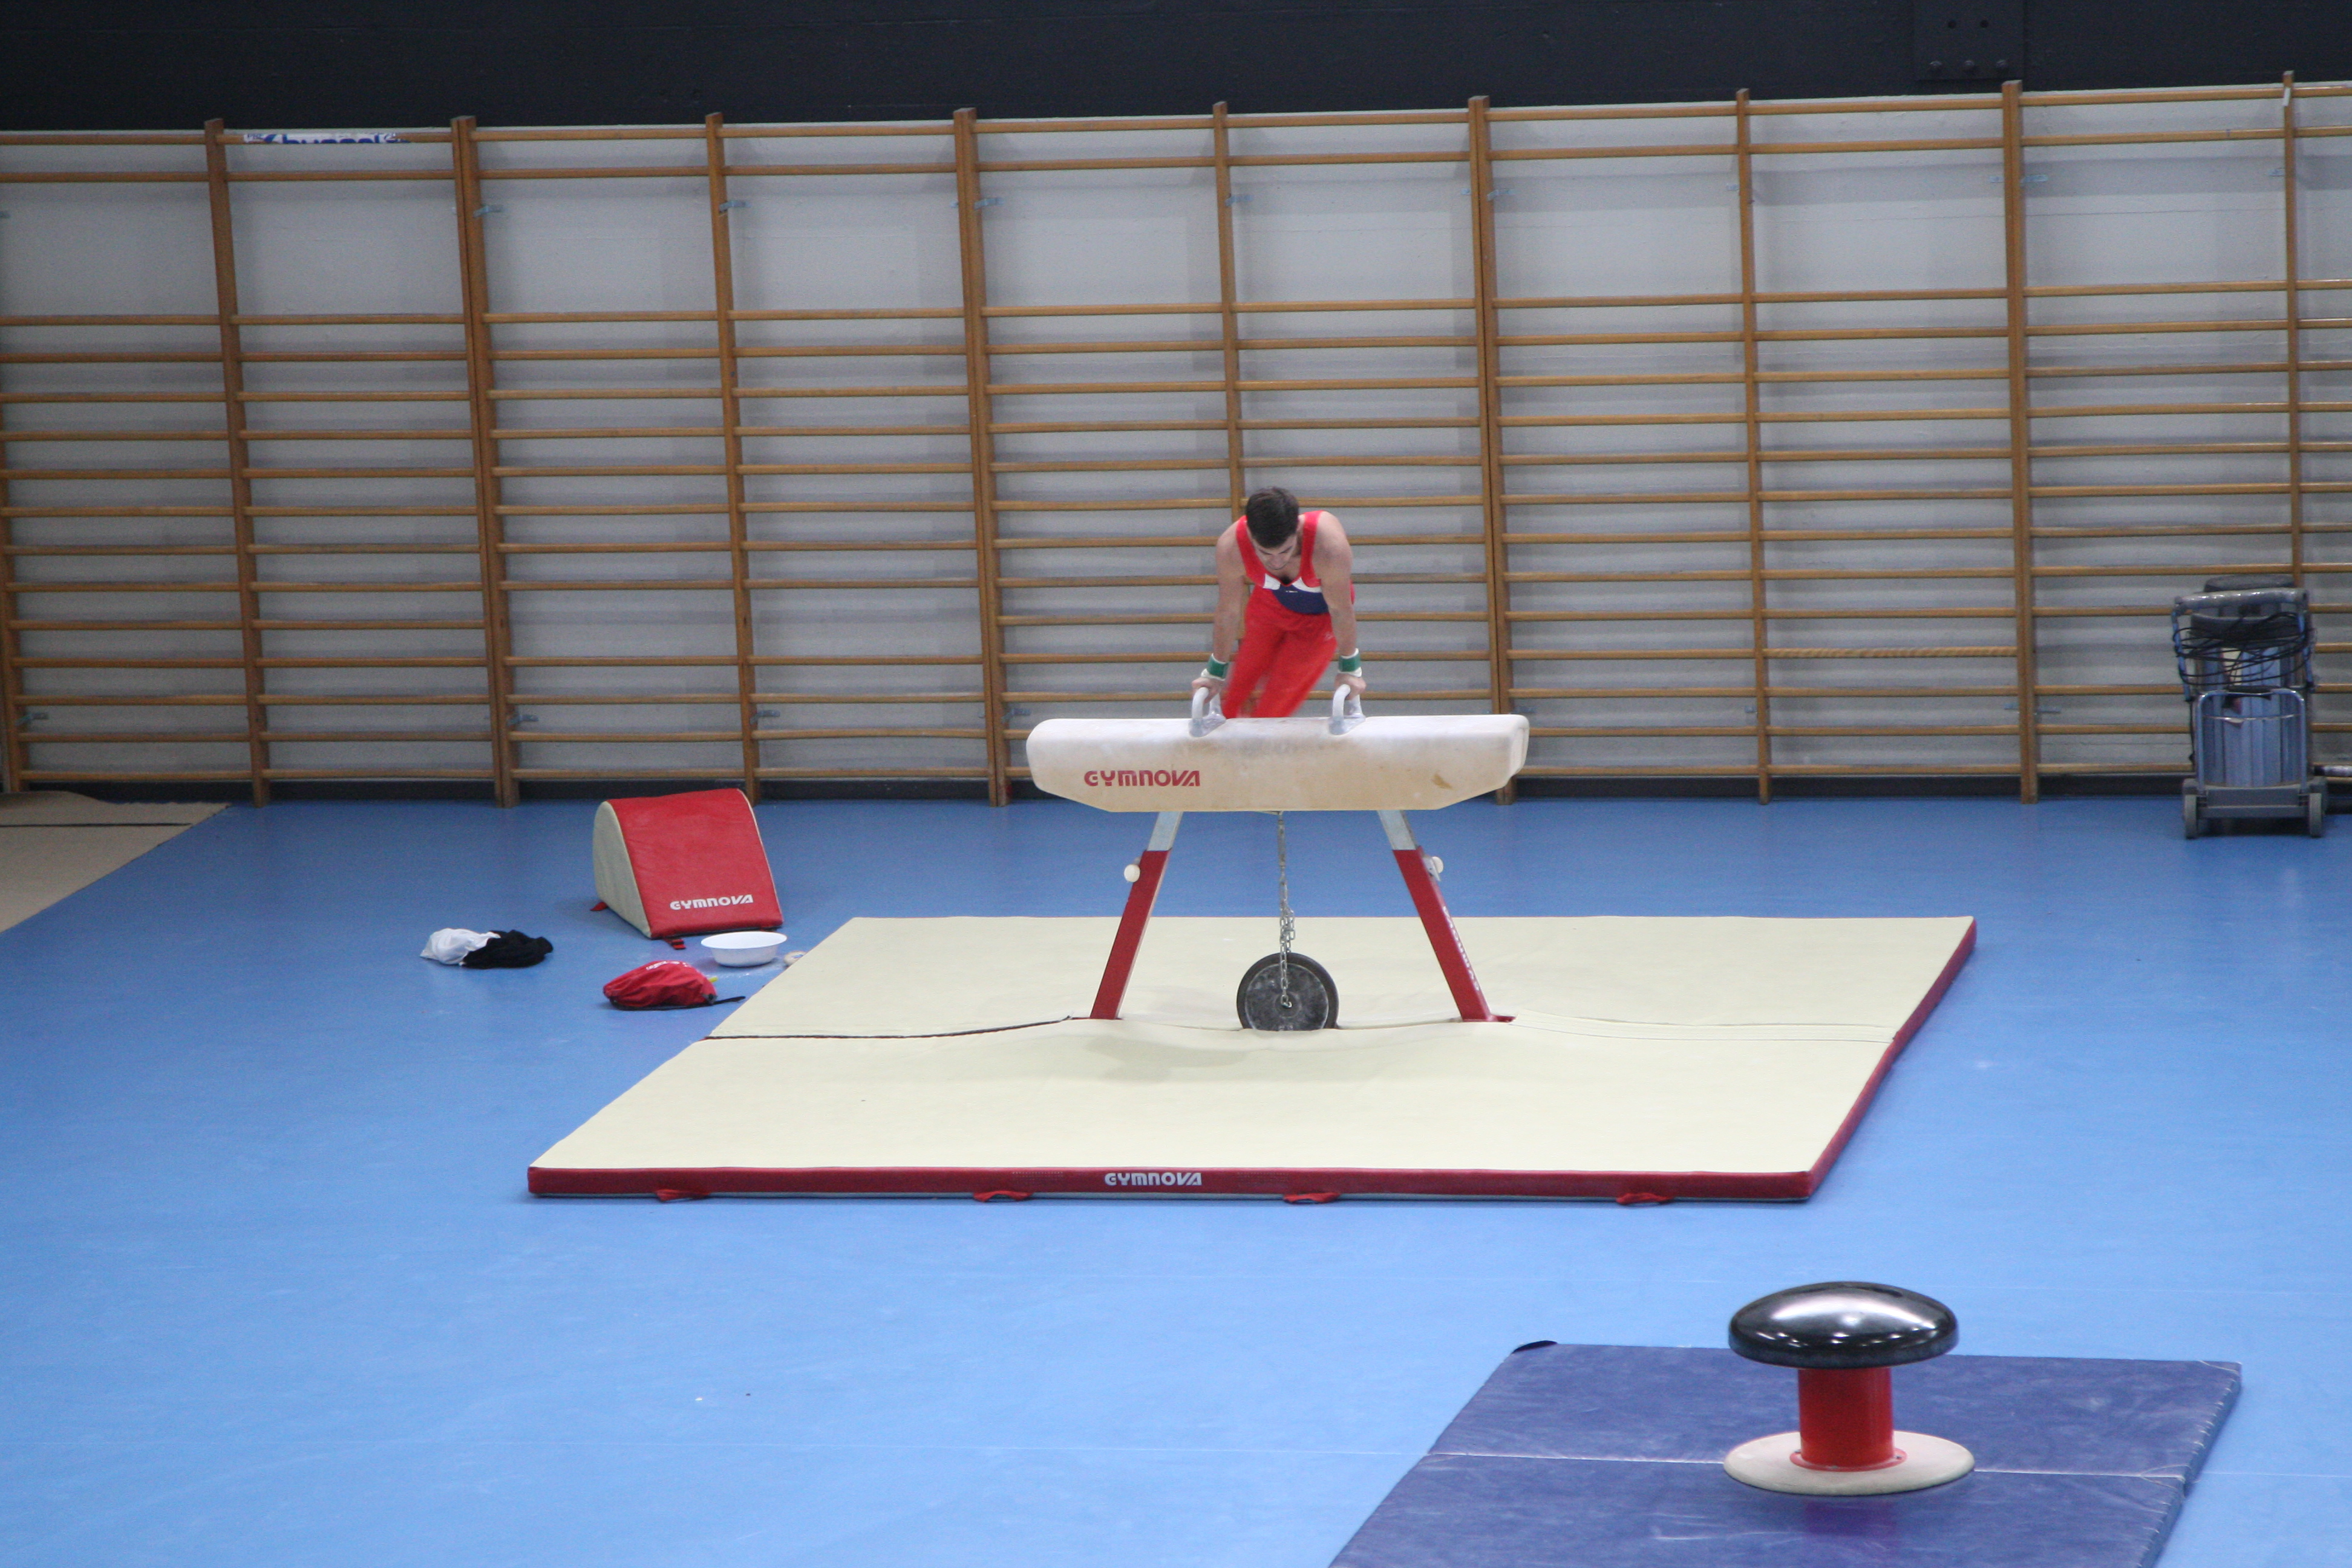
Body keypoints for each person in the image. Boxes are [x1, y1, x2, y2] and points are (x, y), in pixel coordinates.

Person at [1192, 487, 1367, 717]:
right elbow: (1229, 612)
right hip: (1269, 603)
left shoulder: (1328, 547)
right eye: (1265, 553)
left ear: (1297, 529)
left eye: (1285, 551)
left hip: (1319, 621)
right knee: (1237, 685)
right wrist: (1214, 673)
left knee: (1275, 703)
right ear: (1251, 535)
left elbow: (1340, 610)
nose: (1276, 562)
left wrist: (1350, 669)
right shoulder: (1231, 547)